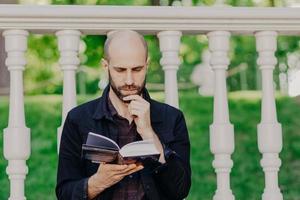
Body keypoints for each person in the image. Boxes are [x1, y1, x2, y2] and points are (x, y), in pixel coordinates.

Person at [56, 30, 191, 200]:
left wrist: (149, 133)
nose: (129, 80)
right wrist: (97, 182)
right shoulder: (78, 119)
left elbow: (181, 190)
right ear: (106, 66)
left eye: (137, 69)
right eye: (120, 70)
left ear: (147, 65)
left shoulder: (172, 118)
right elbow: (64, 193)